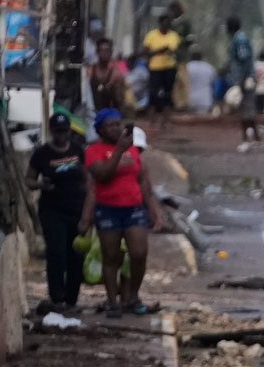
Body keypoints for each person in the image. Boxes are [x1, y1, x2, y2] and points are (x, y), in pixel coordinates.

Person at [79, 107, 166, 315]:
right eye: (111, 125)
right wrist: (117, 151)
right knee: (111, 256)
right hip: (108, 209)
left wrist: (155, 210)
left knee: (139, 253)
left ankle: (133, 296)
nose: (116, 128)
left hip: (134, 208)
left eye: (118, 124)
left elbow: (143, 181)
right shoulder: (93, 151)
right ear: (100, 130)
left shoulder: (133, 150)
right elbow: (102, 175)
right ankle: (112, 300)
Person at [27, 112, 88, 313]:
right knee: (56, 253)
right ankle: (57, 297)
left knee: (75, 255)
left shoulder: (78, 150)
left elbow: (88, 179)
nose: (62, 136)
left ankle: (72, 298)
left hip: (76, 208)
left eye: (65, 131)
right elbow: (29, 180)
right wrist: (41, 185)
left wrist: (88, 211)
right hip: (52, 210)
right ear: (52, 132)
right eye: (58, 132)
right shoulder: (42, 153)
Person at [224, 16, 259, 149]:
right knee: (248, 109)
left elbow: (244, 59)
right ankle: (256, 138)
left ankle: (246, 139)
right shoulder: (238, 39)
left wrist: (242, 80)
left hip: (245, 79)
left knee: (245, 109)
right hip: (245, 77)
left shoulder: (239, 39)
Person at [142, 10, 182, 122]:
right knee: (153, 93)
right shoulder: (151, 35)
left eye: (169, 23)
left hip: (169, 67)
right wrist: (161, 50)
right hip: (155, 67)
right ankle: (152, 118)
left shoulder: (174, 35)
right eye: (164, 22)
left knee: (168, 93)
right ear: (160, 23)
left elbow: (174, 50)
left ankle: (166, 119)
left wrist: (161, 51)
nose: (166, 25)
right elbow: (146, 52)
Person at [87, 36, 130, 113]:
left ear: (111, 52)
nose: (104, 54)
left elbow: (120, 100)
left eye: (107, 50)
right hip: (91, 112)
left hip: (108, 114)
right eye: (102, 50)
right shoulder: (90, 71)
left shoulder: (116, 75)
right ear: (97, 52)